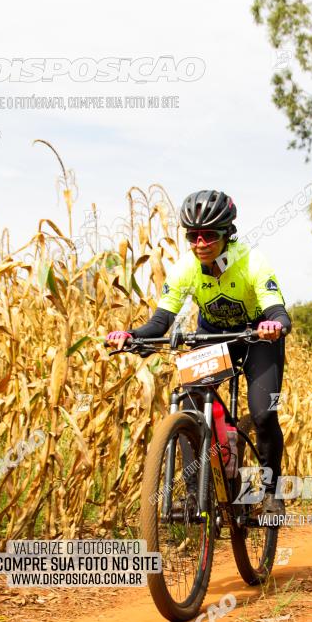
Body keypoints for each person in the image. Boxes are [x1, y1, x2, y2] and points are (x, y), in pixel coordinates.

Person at [105, 189, 291, 517]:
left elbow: (277, 310)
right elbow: (161, 321)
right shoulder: (186, 268)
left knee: (263, 413)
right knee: (190, 402)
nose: (200, 243)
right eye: (193, 235)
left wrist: (274, 325)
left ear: (227, 234)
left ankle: (270, 490)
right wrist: (132, 335)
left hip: (259, 339)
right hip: (214, 337)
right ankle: (196, 494)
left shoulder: (251, 261)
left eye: (209, 235)